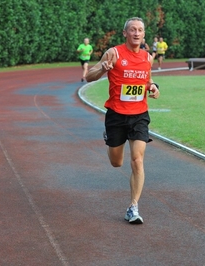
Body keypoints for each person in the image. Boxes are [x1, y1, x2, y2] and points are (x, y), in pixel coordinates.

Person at [86, 17, 160, 224]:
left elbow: (148, 80)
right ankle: (109, 138)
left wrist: (154, 88)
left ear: (144, 34)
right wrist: (103, 69)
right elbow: (89, 76)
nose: (137, 33)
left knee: (137, 160)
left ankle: (133, 206)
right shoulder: (114, 53)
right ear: (125, 33)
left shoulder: (147, 57)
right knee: (116, 162)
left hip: (139, 115)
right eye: (133, 30)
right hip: (117, 115)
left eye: (140, 30)